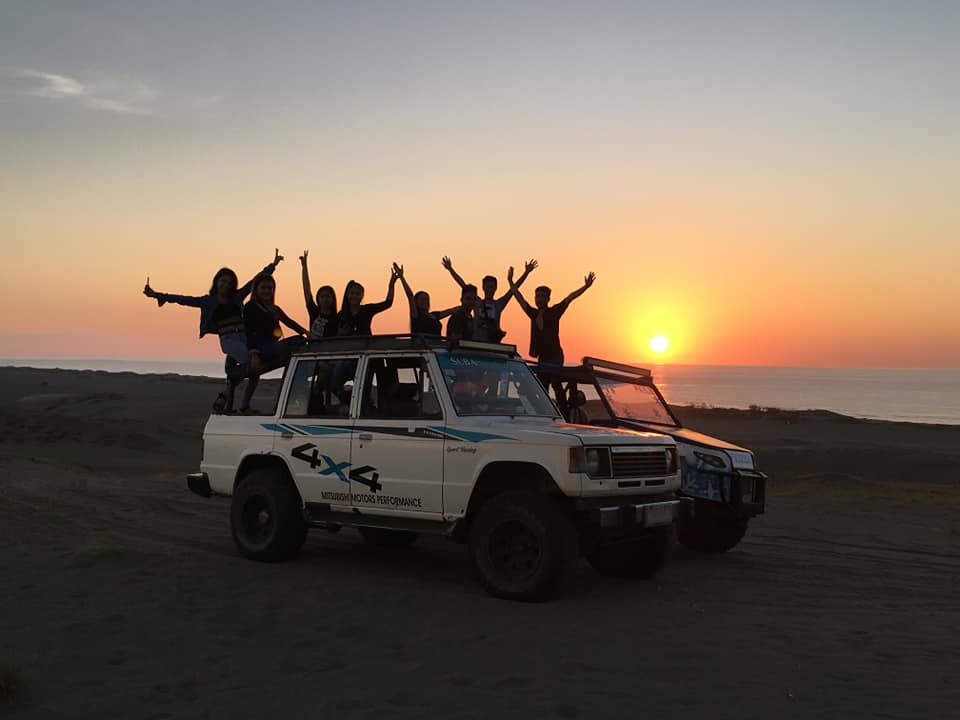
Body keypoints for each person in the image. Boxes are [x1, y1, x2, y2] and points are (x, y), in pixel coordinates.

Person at [143, 250, 283, 412]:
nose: (226, 285)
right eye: (223, 281)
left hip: (244, 337)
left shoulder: (237, 297)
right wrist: (157, 295)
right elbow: (183, 299)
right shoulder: (207, 301)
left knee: (252, 372)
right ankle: (228, 397)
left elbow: (255, 281)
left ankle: (240, 404)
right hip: (229, 340)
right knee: (252, 366)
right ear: (216, 282)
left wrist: (273, 265)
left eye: (230, 283)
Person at [509, 270, 596, 417]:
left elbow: (569, 298)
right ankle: (545, 413)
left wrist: (585, 286)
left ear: (548, 298)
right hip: (543, 356)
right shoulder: (533, 313)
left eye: (543, 297)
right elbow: (519, 298)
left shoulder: (555, 311)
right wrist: (510, 282)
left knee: (556, 383)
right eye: (537, 296)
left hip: (555, 354)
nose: (539, 299)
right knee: (542, 387)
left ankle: (564, 413)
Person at [441, 256, 538, 342]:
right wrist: (450, 269)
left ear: (496, 287)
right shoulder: (476, 301)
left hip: (492, 342)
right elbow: (463, 284)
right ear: (483, 287)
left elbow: (513, 290)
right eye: (487, 286)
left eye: (492, 286)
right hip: (476, 341)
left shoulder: (499, 304)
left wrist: (525, 273)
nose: (490, 289)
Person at [394, 262, 457, 335]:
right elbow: (410, 296)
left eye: (426, 299)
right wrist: (402, 277)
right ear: (416, 302)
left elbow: (451, 310)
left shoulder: (434, 315)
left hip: (437, 344)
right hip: (422, 345)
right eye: (421, 299)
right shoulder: (416, 315)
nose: (424, 301)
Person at [336, 266, 400, 337]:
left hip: (366, 346)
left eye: (357, 294)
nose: (354, 296)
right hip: (349, 347)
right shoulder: (341, 314)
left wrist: (391, 285)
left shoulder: (367, 310)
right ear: (347, 295)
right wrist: (340, 333)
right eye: (352, 293)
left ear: (362, 296)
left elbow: (388, 303)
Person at [299, 250, 338, 340]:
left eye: (328, 296)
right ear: (318, 299)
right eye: (322, 297)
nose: (325, 299)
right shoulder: (314, 311)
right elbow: (306, 289)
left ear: (333, 299)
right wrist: (304, 267)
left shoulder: (337, 318)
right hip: (314, 349)